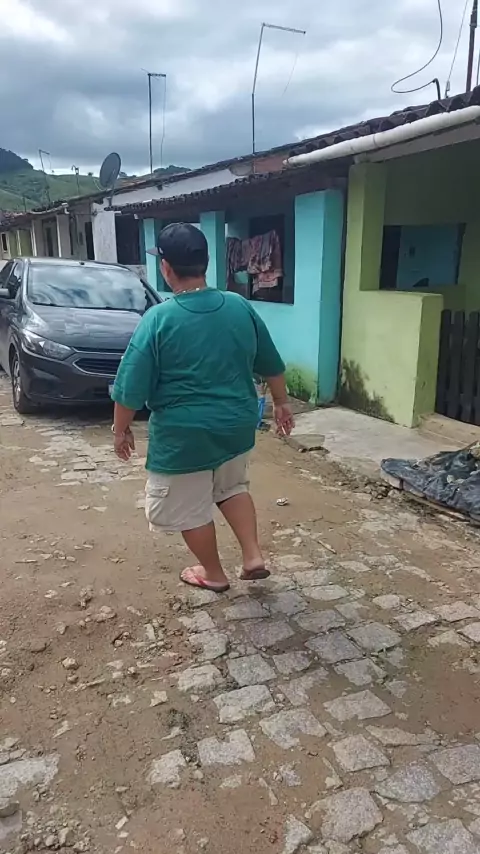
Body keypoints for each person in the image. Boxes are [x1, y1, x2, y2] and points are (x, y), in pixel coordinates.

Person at [111, 222, 294, 593]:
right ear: (206, 262)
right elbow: (271, 362)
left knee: (187, 506)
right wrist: (281, 403)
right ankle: (252, 556)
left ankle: (213, 573)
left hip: (184, 437)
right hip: (235, 426)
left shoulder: (158, 319)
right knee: (231, 487)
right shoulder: (239, 306)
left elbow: (130, 388)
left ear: (166, 268)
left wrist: (120, 429)